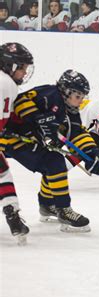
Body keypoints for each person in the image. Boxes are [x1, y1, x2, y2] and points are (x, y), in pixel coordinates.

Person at [0, 70, 99, 233]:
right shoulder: (50, 94)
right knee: (53, 161)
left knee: (54, 163)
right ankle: (59, 208)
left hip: (25, 142)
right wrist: (37, 118)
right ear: (67, 91)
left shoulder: (71, 111)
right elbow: (21, 100)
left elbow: (76, 132)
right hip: (11, 137)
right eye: (78, 96)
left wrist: (92, 153)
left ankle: (50, 205)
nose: (81, 101)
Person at [0, 43, 34, 244]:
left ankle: (13, 216)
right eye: (21, 67)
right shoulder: (7, 84)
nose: (24, 72)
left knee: (2, 171)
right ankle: (13, 217)